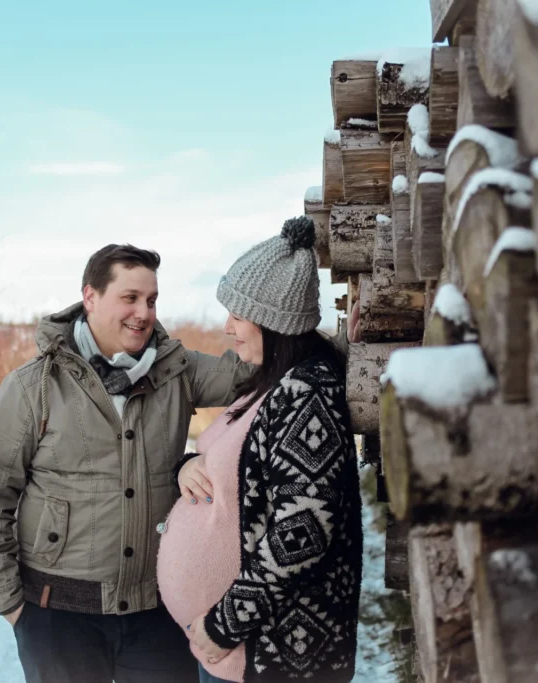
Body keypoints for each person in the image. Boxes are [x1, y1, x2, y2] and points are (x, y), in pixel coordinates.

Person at [0, 244, 253, 683]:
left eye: (151, 300)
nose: (144, 313)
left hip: (156, 613)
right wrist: (12, 605)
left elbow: (255, 372)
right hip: (58, 616)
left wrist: (342, 343)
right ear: (91, 297)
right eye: (130, 298)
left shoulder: (177, 371)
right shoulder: (33, 387)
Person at [156, 217, 363, 683]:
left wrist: (223, 625)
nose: (227, 327)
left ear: (273, 321)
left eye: (238, 315)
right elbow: (242, 463)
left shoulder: (307, 394)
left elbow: (304, 530)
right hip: (242, 655)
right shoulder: (272, 384)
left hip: (276, 656)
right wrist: (189, 466)